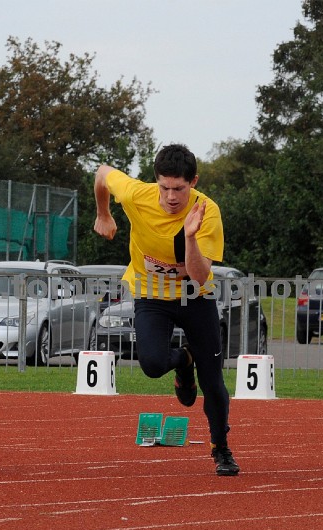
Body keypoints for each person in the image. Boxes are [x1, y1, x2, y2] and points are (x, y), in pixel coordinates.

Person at [93, 144, 239, 476]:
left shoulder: (207, 211)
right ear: (156, 180)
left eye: (179, 189)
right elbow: (102, 173)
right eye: (165, 187)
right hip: (151, 295)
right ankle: (183, 361)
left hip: (194, 295)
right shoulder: (136, 194)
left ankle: (221, 448)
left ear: (194, 182)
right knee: (153, 364)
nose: (171, 196)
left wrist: (190, 237)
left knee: (212, 382)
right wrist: (103, 213)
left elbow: (200, 276)